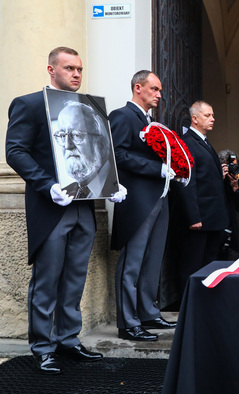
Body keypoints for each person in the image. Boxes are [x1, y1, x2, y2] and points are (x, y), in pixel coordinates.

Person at [5, 46, 125, 374]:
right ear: (51, 70)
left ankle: (69, 340)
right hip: (52, 208)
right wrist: (47, 186)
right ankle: (42, 347)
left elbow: (98, 150)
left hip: (85, 208)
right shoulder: (28, 104)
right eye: (69, 68)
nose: (76, 74)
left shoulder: (88, 107)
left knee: (75, 279)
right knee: (46, 280)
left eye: (79, 69)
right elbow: (15, 151)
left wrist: (111, 184)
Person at [110, 70, 177, 342]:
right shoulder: (122, 116)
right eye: (154, 89)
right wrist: (157, 168)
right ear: (138, 88)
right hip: (138, 200)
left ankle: (148, 312)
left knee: (152, 260)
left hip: (159, 197)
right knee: (132, 262)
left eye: (159, 90)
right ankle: (128, 322)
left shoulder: (152, 122)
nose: (159, 95)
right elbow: (117, 154)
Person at [170, 101, 229, 297]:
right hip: (199, 218)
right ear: (194, 118)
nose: (212, 119)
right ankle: (188, 306)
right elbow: (187, 182)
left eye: (212, 115)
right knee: (192, 265)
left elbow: (203, 175)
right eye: (207, 115)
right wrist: (193, 217)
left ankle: (204, 304)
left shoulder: (203, 140)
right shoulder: (187, 142)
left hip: (212, 217)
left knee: (208, 264)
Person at [54, 101, 119, 198]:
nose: (67, 145)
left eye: (76, 135)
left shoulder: (119, 185)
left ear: (101, 143)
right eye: (62, 135)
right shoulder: (65, 193)